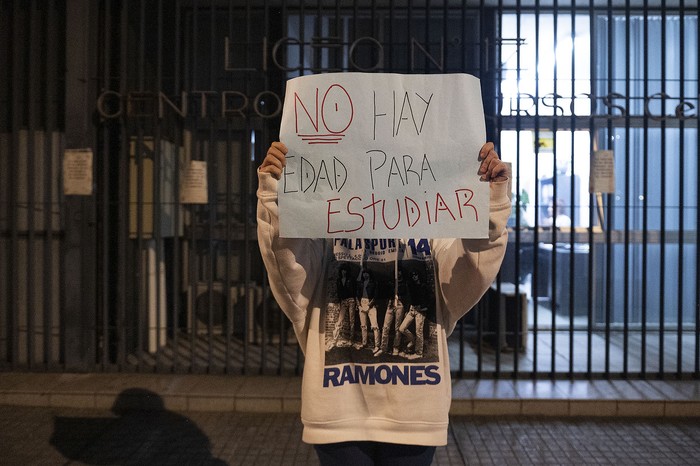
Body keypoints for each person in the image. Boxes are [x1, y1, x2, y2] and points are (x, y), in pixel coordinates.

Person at [257, 140, 510, 466]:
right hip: (340, 409)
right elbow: (292, 280)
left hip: (413, 413)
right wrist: (276, 197)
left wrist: (489, 204)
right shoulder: (326, 215)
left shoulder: (432, 216)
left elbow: (464, 280)